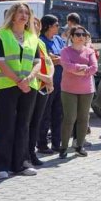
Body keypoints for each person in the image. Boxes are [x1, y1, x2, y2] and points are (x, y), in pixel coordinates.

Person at [0, 3, 41, 179]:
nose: (24, 15)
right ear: (12, 15)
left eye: (27, 13)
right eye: (20, 12)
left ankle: (21, 164)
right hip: (8, 85)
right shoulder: (2, 34)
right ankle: (0, 166)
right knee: (7, 125)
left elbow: (37, 62)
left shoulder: (32, 37)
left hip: (29, 86)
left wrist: (29, 78)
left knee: (23, 125)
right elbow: (0, 61)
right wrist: (18, 80)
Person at [58, 26, 97, 157]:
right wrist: (83, 67)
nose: (81, 37)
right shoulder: (65, 51)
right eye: (78, 34)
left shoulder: (90, 51)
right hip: (68, 89)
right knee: (69, 118)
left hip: (87, 90)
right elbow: (67, 66)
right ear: (72, 37)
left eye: (83, 35)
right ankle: (63, 147)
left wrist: (79, 71)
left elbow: (94, 68)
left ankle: (79, 146)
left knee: (83, 118)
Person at [26, 17, 55, 168]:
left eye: (38, 24)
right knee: (28, 122)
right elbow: (26, 67)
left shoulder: (41, 42)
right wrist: (45, 78)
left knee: (36, 122)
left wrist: (50, 79)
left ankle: (31, 153)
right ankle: (25, 154)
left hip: (43, 87)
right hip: (32, 86)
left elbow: (49, 62)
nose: (36, 26)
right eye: (33, 24)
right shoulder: (26, 42)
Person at [37, 15, 65, 154]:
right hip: (46, 83)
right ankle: (42, 145)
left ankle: (56, 143)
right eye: (56, 25)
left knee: (58, 114)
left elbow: (64, 56)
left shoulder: (58, 39)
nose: (59, 27)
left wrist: (57, 58)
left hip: (60, 82)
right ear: (48, 26)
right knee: (45, 114)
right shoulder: (40, 41)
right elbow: (46, 60)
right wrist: (57, 59)